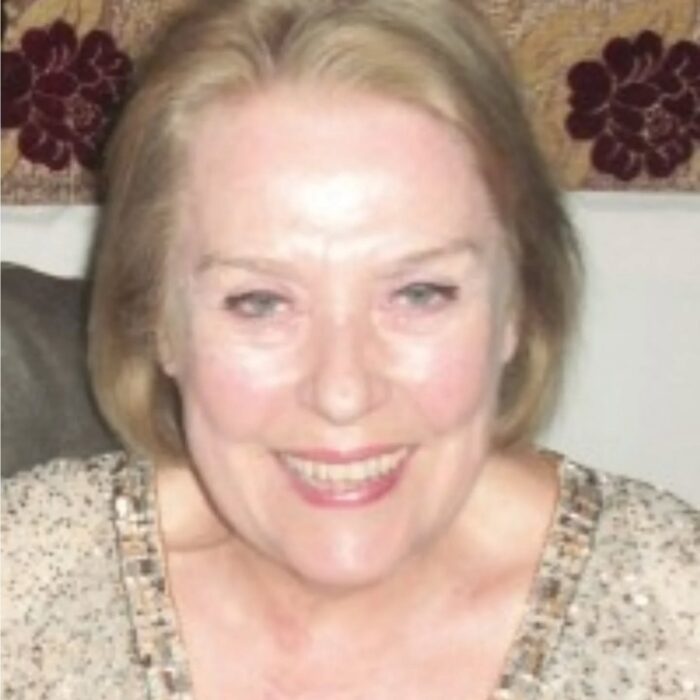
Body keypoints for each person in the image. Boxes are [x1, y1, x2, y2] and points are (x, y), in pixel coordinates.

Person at [2, 0, 698, 697]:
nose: (342, 392)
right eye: (261, 302)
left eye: (419, 293)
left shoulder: (675, 617)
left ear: (516, 304)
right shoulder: (24, 587)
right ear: (158, 321)